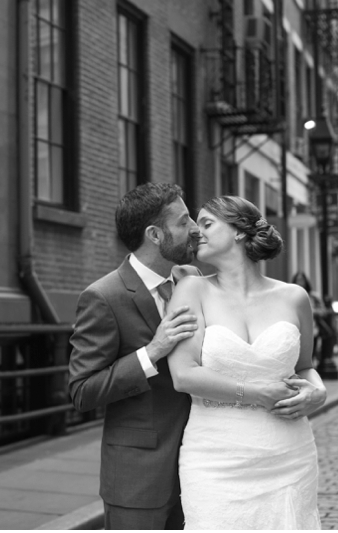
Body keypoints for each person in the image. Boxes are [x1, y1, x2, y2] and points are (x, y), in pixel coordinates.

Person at [168, 196, 327, 530]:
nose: (197, 232)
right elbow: (183, 375)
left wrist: (318, 392)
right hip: (215, 458)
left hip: (289, 454)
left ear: (239, 232)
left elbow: (305, 366)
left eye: (207, 223)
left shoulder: (294, 297)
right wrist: (255, 393)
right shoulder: (191, 290)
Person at [68, 182, 202, 530]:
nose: (195, 229)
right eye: (184, 221)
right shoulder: (103, 296)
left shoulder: (191, 279)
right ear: (155, 235)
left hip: (201, 472)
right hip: (138, 482)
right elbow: (82, 391)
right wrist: (152, 352)